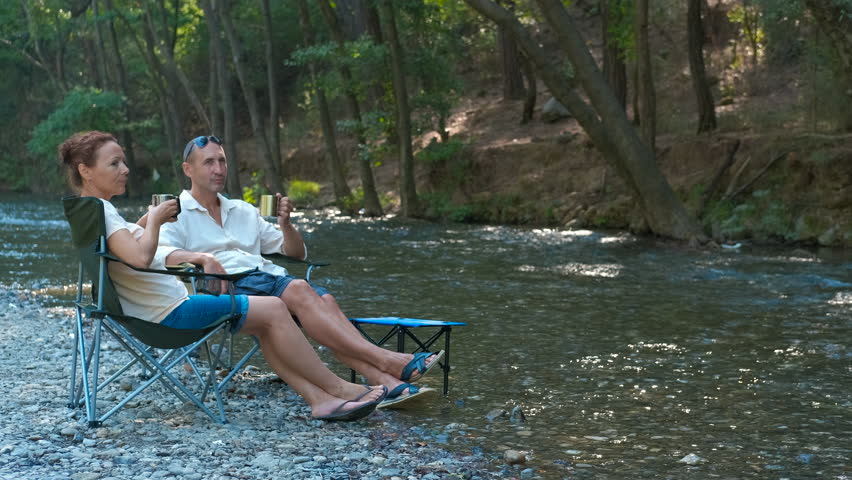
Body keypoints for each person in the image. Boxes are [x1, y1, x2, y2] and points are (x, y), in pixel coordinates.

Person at [59, 130, 386, 421]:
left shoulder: (90, 209)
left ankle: (321, 400)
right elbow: (141, 258)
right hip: (167, 313)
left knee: (265, 321)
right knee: (273, 308)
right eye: (114, 164)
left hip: (143, 311)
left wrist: (147, 222)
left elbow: (126, 250)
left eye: (123, 162)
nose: (125, 169)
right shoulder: (103, 210)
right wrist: (157, 220)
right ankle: (338, 388)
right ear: (86, 171)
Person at [154, 135, 442, 406]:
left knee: (325, 301)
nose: (219, 169)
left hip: (267, 279)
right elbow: (159, 252)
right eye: (209, 162)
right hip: (227, 287)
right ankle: (390, 361)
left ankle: (382, 380)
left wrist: (286, 223)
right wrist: (202, 257)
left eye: (222, 161)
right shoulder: (174, 211)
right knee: (300, 289)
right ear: (187, 169)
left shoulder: (243, 210)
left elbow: (295, 252)